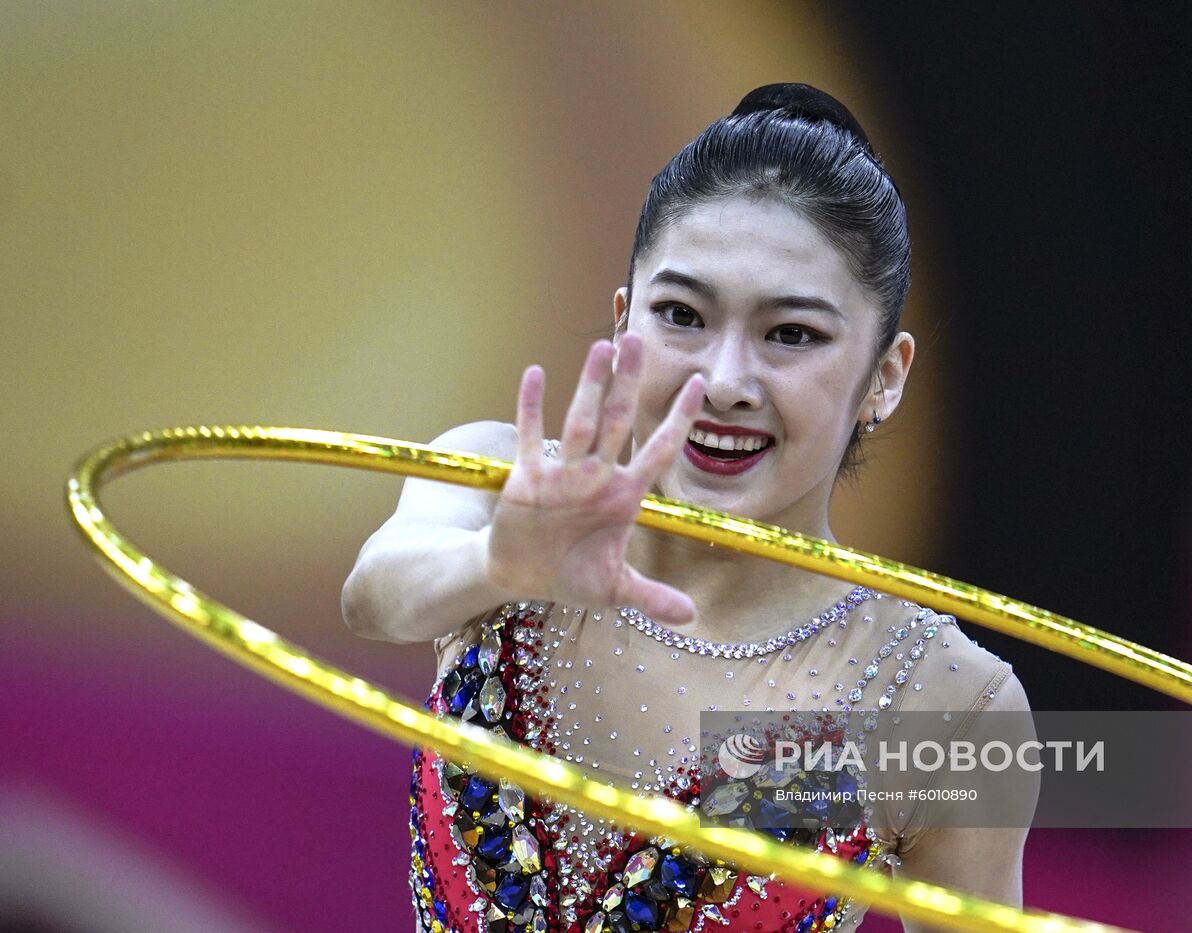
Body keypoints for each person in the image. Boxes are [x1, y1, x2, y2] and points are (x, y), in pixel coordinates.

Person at [343, 83, 1033, 933]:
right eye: (683, 315)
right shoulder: (499, 483)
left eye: (792, 334)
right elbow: (373, 593)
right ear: (624, 316)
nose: (725, 382)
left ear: (885, 375)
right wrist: (497, 565)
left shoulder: (939, 700)